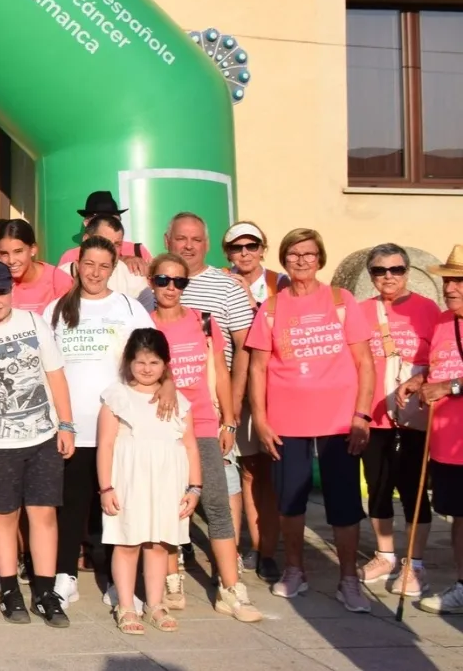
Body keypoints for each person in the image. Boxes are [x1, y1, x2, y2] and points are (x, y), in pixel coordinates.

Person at [246, 227, 375, 610]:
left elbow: (365, 363)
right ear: (283, 259)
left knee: (344, 503)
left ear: (320, 259)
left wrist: (362, 415)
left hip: (339, 422)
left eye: (308, 254)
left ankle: (348, 579)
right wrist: (261, 420)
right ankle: (294, 570)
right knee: (290, 501)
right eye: (293, 254)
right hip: (287, 422)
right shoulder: (272, 308)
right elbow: (257, 368)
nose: (301, 261)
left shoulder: (340, 300)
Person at [0, 260, 74, 628]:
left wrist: (66, 424)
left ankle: (45, 591)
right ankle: (9, 590)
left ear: (11, 291)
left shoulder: (34, 323)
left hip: (42, 436)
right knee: (4, 515)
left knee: (43, 514)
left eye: (1, 292)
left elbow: (55, 375)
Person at [41, 235, 157, 608]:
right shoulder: (56, 310)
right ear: (77, 266)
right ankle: (65, 576)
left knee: (114, 507)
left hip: (119, 429)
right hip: (71, 428)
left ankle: (116, 582)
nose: (95, 272)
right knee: (71, 505)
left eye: (104, 266)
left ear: (113, 269)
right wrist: (58, 422)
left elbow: (152, 358)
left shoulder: (130, 308)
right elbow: (43, 367)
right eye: (88, 264)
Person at [148, 254, 261, 621]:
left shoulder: (203, 320)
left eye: (179, 282)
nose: (171, 288)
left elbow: (220, 373)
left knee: (216, 505)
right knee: (168, 506)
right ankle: (171, 579)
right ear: (151, 282)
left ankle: (231, 588)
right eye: (163, 280)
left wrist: (228, 421)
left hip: (203, 425)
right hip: (164, 428)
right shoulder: (144, 324)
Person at [169, 213, 268, 577]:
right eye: (181, 238)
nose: (188, 246)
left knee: (223, 481)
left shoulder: (227, 287)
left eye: (196, 239)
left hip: (212, 402)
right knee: (171, 478)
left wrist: (233, 405)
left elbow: (245, 347)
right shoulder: (155, 286)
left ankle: (228, 557)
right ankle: (175, 552)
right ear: (168, 240)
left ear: (207, 244)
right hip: (166, 406)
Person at [99, 329, 201, 635]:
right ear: (129, 362)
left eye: (154, 362)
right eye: (140, 362)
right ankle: (126, 605)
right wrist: (106, 487)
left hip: (168, 482)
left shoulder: (179, 401)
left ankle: (155, 604)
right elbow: (106, 445)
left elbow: (190, 446)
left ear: (165, 364)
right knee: (127, 542)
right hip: (129, 481)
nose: (146, 369)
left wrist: (194, 487)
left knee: (159, 544)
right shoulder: (116, 397)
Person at [358, 242, 442, 597]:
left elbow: (441, 361)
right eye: (380, 270)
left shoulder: (429, 310)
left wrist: (421, 382)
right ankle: (385, 555)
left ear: (407, 272)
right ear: (371, 275)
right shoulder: (361, 311)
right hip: (373, 417)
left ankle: (415, 563)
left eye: (396, 269)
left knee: (414, 490)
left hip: (414, 418)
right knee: (377, 488)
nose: (388, 276)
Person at [403, 247, 463, 613]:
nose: (450, 287)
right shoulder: (443, 321)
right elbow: (441, 366)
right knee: (459, 516)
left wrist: (447, 387)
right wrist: (421, 380)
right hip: (446, 443)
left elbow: (450, 381)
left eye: (459, 280)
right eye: (447, 280)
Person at [61, 215, 150, 299]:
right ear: (86, 239)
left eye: (117, 244)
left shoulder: (135, 280)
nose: (112, 249)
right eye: (104, 242)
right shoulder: (61, 276)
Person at [0, 219, 73, 313]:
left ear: (33, 249)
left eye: (18, 252)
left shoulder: (58, 281)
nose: (11, 260)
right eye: (4, 254)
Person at [57, 192, 152, 269]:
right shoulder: (71, 257)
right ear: (87, 222)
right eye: (101, 219)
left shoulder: (138, 251)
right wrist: (121, 261)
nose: (109, 223)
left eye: (113, 219)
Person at [222, 221, 286, 305]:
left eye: (252, 246)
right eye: (236, 248)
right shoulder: (220, 279)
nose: (244, 253)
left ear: (262, 250)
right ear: (228, 252)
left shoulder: (279, 282)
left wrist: (250, 299)